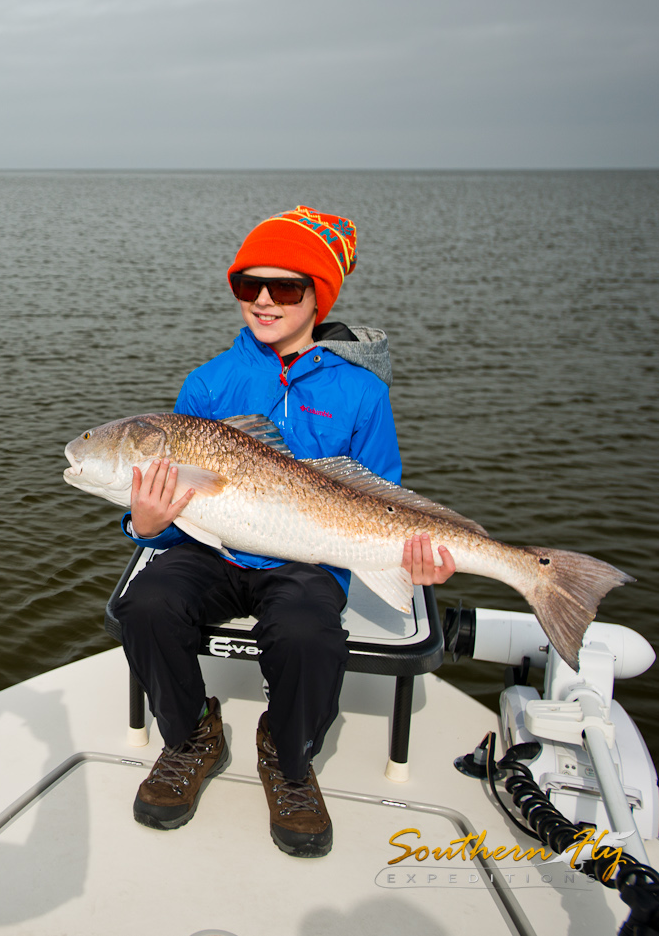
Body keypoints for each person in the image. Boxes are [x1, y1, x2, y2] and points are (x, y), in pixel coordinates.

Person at [111, 206, 453, 857]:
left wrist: (412, 559)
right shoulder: (209, 383)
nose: (264, 300)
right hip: (210, 551)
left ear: (318, 294)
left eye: (286, 287)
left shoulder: (361, 393)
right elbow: (170, 505)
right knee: (145, 604)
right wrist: (145, 525)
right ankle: (190, 737)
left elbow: (385, 492)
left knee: (306, 630)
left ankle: (288, 755)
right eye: (249, 285)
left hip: (308, 559)